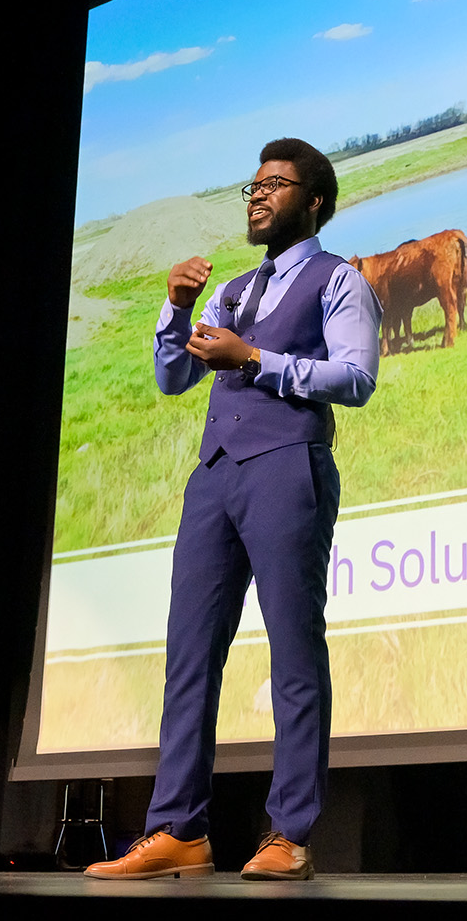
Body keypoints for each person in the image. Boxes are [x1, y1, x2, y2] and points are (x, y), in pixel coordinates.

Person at [86, 138, 380, 882]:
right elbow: (171, 375)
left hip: (289, 468)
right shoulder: (234, 288)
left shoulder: (338, 278)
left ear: (313, 200)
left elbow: (356, 376)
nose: (257, 196)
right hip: (215, 478)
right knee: (189, 656)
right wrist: (176, 305)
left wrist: (254, 360)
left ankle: (290, 832)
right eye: (251, 186)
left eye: (274, 185)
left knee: (293, 653)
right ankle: (178, 828)